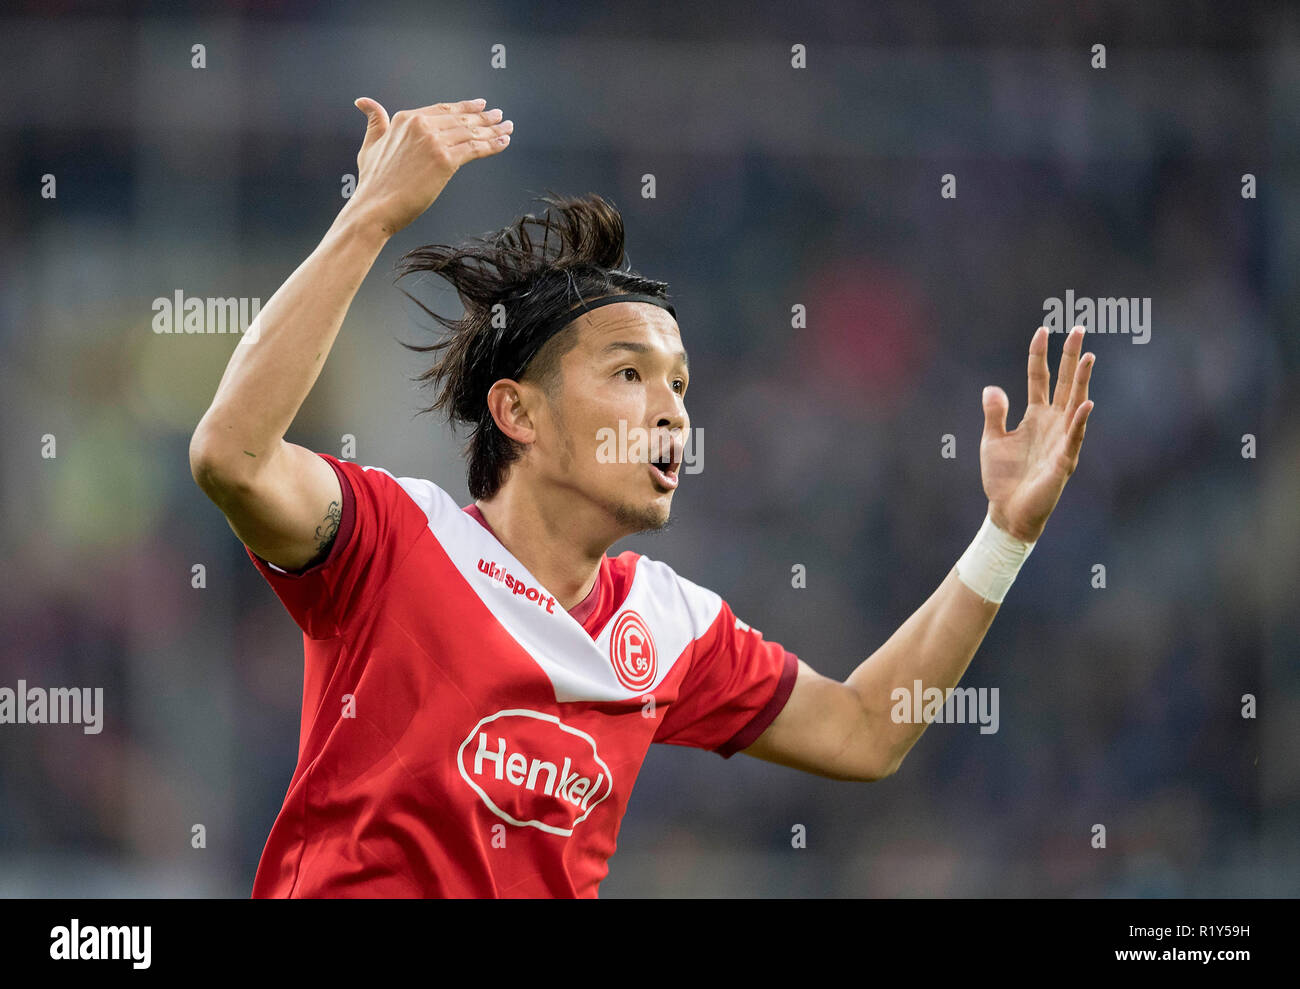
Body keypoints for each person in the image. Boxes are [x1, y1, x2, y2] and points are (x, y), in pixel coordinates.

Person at [189, 96, 1096, 897]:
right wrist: (370, 215)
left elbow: (866, 731)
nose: (671, 410)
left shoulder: (669, 627)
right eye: (631, 372)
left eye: (683, 386)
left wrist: (1004, 536)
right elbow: (231, 454)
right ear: (519, 412)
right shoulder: (391, 539)